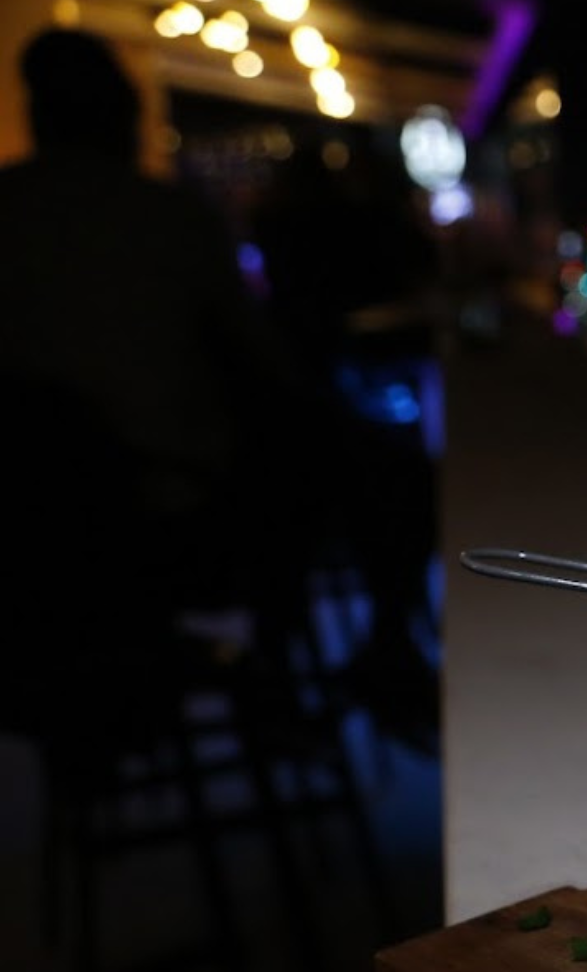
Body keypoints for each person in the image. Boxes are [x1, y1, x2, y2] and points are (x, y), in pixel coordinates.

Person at [0, 26, 437, 750]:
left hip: (32, 554)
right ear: (123, 113)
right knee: (371, 462)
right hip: (173, 534)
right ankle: (345, 659)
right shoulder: (163, 216)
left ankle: (294, 674)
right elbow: (264, 366)